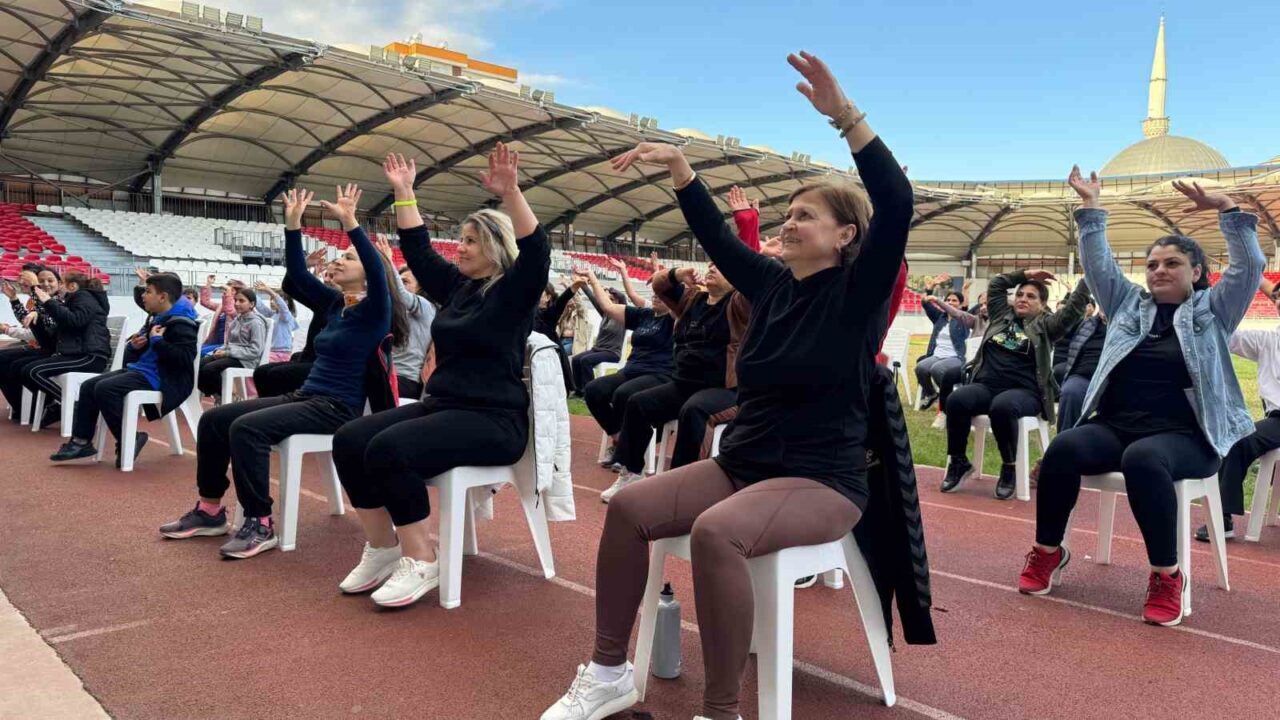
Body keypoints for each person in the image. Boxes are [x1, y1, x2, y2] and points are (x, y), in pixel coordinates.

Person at [542, 51, 913, 720]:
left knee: (717, 533)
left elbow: (897, 202)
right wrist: (681, 169)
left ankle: (721, 711)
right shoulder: (772, 285)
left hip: (822, 480)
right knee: (629, 508)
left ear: (846, 235)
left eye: (806, 215)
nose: (788, 223)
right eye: (787, 213)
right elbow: (716, 238)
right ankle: (607, 674)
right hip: (744, 464)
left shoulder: (858, 294)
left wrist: (844, 117)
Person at [1018, 169, 1263, 628]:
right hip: (1117, 426)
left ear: (1196, 272)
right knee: (1063, 448)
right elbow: (1099, 265)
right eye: (1152, 264)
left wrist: (1227, 208)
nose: (1159, 271)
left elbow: (1249, 268)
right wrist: (1091, 208)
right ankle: (1048, 551)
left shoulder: (1213, 309)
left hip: (1189, 436)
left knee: (1144, 458)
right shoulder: (1128, 304)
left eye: (1172, 263)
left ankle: (1167, 576)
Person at [327, 144, 549, 607]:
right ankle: (383, 548)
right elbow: (419, 250)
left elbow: (536, 252)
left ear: (495, 247)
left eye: (471, 241)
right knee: (349, 439)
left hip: (494, 420)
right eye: (461, 239)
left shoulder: (514, 292)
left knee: (389, 449)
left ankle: (422, 557)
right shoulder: (459, 287)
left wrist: (511, 193)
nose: (460, 247)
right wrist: (404, 192)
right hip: (444, 406)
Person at [157, 185, 405, 559]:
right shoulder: (336, 304)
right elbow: (299, 276)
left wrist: (351, 223)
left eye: (349, 258)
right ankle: (210, 510)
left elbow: (375, 265)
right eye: (341, 256)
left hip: (336, 408)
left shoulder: (374, 311)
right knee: (214, 420)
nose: (339, 261)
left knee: (247, 429)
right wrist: (292, 225)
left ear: (370, 276)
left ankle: (260, 522)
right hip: (307, 396)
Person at [939, 268, 1090, 500]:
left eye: (1031, 296)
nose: (1023, 299)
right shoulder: (1001, 315)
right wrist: (1027, 274)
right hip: (986, 386)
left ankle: (1009, 468)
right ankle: (959, 461)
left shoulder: (1047, 326)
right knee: (956, 400)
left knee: (1002, 406)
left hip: (1025, 392)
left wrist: (1089, 275)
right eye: (1020, 294)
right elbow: (997, 284)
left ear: (1042, 305)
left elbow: (1074, 308)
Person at [596, 262, 738, 501]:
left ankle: (680, 487)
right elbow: (660, 285)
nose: (713, 266)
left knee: (693, 410)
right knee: (637, 403)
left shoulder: (739, 305)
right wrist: (678, 274)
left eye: (720, 265)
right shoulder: (692, 300)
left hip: (724, 389)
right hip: (685, 384)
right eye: (711, 263)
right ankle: (631, 472)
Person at [50, 273, 200, 466]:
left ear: (162, 297)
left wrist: (157, 341)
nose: (143, 296)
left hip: (164, 379)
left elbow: (185, 358)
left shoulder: (181, 324)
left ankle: (129, 439)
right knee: (88, 386)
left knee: (105, 389)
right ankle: (81, 441)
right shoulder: (158, 317)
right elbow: (143, 354)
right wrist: (136, 347)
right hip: (143, 371)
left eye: (148, 292)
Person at [1194, 275, 1280, 542]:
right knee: (1238, 441)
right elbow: (1226, 336)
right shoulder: (1268, 340)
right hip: (1277, 420)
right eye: (1278, 298)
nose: (1278, 302)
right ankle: (1222, 519)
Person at [579, 265, 675, 469]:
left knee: (623, 394)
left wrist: (668, 277)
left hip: (660, 373)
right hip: (631, 371)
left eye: (662, 294)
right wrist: (593, 279)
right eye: (655, 293)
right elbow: (608, 307)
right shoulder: (643, 315)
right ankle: (619, 439)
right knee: (593, 390)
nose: (656, 296)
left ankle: (626, 453)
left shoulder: (675, 318)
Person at [18, 272, 112, 429]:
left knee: (33, 372)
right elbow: (50, 340)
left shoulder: (84, 297)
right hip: (76, 353)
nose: (59, 287)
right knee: (27, 370)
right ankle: (62, 405)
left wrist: (48, 302)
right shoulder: (71, 301)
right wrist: (37, 323)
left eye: (61, 283)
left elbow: (75, 321)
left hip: (90, 356)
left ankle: (75, 407)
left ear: (72, 286)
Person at [372, 236, 436, 401]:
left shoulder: (426, 307)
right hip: (388, 376)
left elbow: (399, 293)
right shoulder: (397, 311)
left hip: (405, 381)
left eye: (405, 281)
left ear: (421, 287)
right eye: (399, 281)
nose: (400, 284)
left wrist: (387, 261)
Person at [1, 268, 61, 421]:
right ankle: (22, 407)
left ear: (60, 283)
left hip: (57, 351)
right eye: (41, 281)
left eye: (50, 280)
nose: (45, 284)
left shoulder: (60, 301)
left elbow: (47, 324)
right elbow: (27, 321)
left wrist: (7, 329)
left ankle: (42, 405)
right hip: (44, 347)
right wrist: (13, 298)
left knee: (16, 365)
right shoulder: (37, 301)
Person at [196, 286, 267, 398]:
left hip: (246, 360)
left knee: (209, 369)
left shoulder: (256, 323)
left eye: (241, 301)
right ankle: (217, 393)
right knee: (199, 364)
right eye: (236, 300)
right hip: (232, 355)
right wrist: (220, 350)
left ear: (252, 304)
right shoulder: (236, 320)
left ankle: (226, 395)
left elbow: (255, 351)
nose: (237, 303)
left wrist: (227, 353)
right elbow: (228, 343)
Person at [916, 274, 969, 411]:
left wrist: (965, 290)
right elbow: (925, 303)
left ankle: (950, 398)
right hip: (937, 355)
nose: (950, 302)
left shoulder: (963, 318)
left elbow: (966, 307)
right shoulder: (939, 317)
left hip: (956, 357)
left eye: (954, 300)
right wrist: (930, 288)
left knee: (937, 369)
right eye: (948, 300)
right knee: (921, 367)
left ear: (960, 304)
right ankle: (932, 394)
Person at [569, 286, 626, 394]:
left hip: (612, 352)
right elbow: (592, 297)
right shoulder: (605, 313)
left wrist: (610, 289)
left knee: (586, 360)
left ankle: (590, 391)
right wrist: (583, 285)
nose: (609, 302)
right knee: (576, 359)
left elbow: (622, 297)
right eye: (607, 300)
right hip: (597, 349)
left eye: (612, 299)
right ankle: (579, 390)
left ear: (619, 302)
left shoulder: (623, 316)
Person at [253, 281, 299, 363]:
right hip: (272, 352)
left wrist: (269, 290)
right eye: (271, 299)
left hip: (282, 354)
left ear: (286, 302)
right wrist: (250, 292)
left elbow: (283, 307)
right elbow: (261, 306)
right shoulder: (273, 315)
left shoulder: (286, 316)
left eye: (274, 300)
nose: (271, 302)